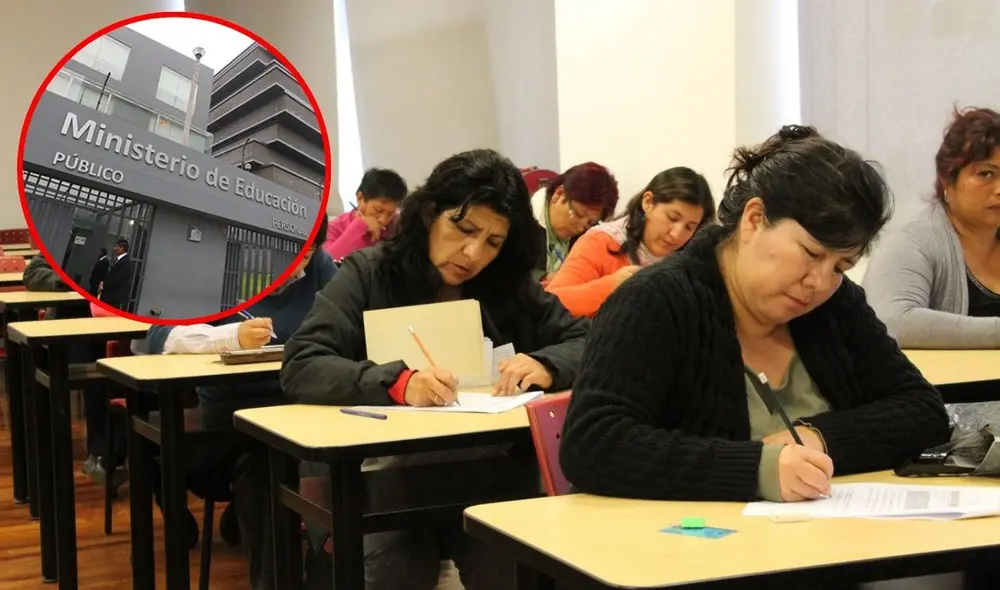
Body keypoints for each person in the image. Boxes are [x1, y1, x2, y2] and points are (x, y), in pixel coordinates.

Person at [560, 125, 950, 511]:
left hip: (829, 552)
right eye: (811, 253)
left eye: (841, 265)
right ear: (754, 218)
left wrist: (815, 438)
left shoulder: (835, 304)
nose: (818, 281)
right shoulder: (657, 300)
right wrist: (757, 469)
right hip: (693, 556)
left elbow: (922, 410)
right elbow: (595, 443)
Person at [281, 148, 589, 590]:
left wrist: (547, 363)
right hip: (384, 473)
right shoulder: (371, 273)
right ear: (429, 214)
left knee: (516, 569)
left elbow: (590, 341)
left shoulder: (507, 286)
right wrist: (397, 382)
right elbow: (302, 362)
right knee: (396, 570)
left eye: (493, 242)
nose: (473, 252)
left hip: (488, 472)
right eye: (462, 229)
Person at [143, 217, 337, 590]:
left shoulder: (320, 269)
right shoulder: (217, 267)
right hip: (231, 420)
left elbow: (353, 317)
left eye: (309, 250)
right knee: (265, 459)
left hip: (299, 410)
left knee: (336, 457)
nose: (299, 264)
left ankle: (325, 567)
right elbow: (158, 334)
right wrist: (228, 335)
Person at [862, 107, 1000, 349]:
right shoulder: (912, 241)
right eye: (986, 174)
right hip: (944, 386)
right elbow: (893, 321)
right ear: (947, 178)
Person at [546, 167, 716, 317]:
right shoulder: (601, 241)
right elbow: (551, 306)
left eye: (689, 227)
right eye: (672, 218)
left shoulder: (693, 261)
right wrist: (611, 286)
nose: (676, 235)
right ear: (648, 202)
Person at [530, 162, 619, 282]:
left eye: (591, 222)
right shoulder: (522, 222)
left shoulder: (585, 234)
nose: (580, 228)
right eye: (578, 214)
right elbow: (507, 275)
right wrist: (544, 278)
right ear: (559, 194)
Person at [323, 167, 407, 261]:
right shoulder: (335, 227)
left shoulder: (397, 224)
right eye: (378, 210)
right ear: (360, 198)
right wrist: (359, 225)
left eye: (390, 213)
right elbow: (325, 265)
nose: (383, 220)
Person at [100, 238, 134, 311]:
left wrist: (104, 285)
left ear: (122, 248)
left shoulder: (126, 262)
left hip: (113, 297)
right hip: (110, 295)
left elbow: (117, 278)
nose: (114, 249)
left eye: (116, 246)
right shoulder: (119, 260)